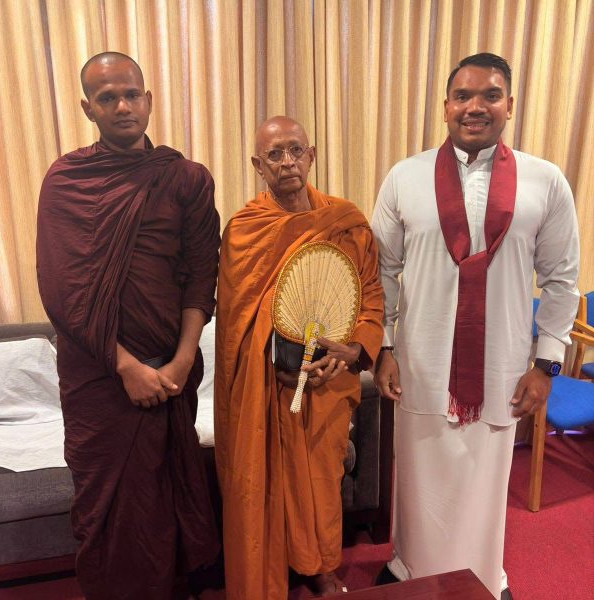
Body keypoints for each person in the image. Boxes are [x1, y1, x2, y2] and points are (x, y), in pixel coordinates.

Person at [371, 53, 580, 600]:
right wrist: (384, 347)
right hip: (421, 361)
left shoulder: (545, 181)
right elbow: (380, 271)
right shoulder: (405, 177)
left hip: (502, 365)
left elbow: (562, 279)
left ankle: (484, 574)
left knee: (485, 481)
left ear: (509, 104)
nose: (475, 106)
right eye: (463, 96)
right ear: (445, 106)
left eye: (489, 95)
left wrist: (546, 363)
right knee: (419, 478)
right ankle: (411, 568)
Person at [36, 52, 221, 599]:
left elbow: (200, 275)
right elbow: (63, 292)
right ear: (87, 108)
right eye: (107, 98)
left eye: (131, 94)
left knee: (165, 497)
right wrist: (125, 366)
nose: (122, 106)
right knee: (108, 505)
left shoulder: (186, 178)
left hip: (170, 373)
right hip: (100, 375)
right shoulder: (67, 181)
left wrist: (182, 360)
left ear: (148, 99)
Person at [214, 116, 384, 599]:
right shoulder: (244, 231)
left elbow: (371, 294)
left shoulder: (347, 221)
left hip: (330, 381)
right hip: (270, 385)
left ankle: (322, 567)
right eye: (274, 154)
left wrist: (353, 350)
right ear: (257, 165)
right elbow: (235, 320)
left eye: (295, 150)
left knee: (322, 481)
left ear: (311, 156)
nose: (286, 162)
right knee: (268, 480)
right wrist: (277, 358)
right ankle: (271, 569)